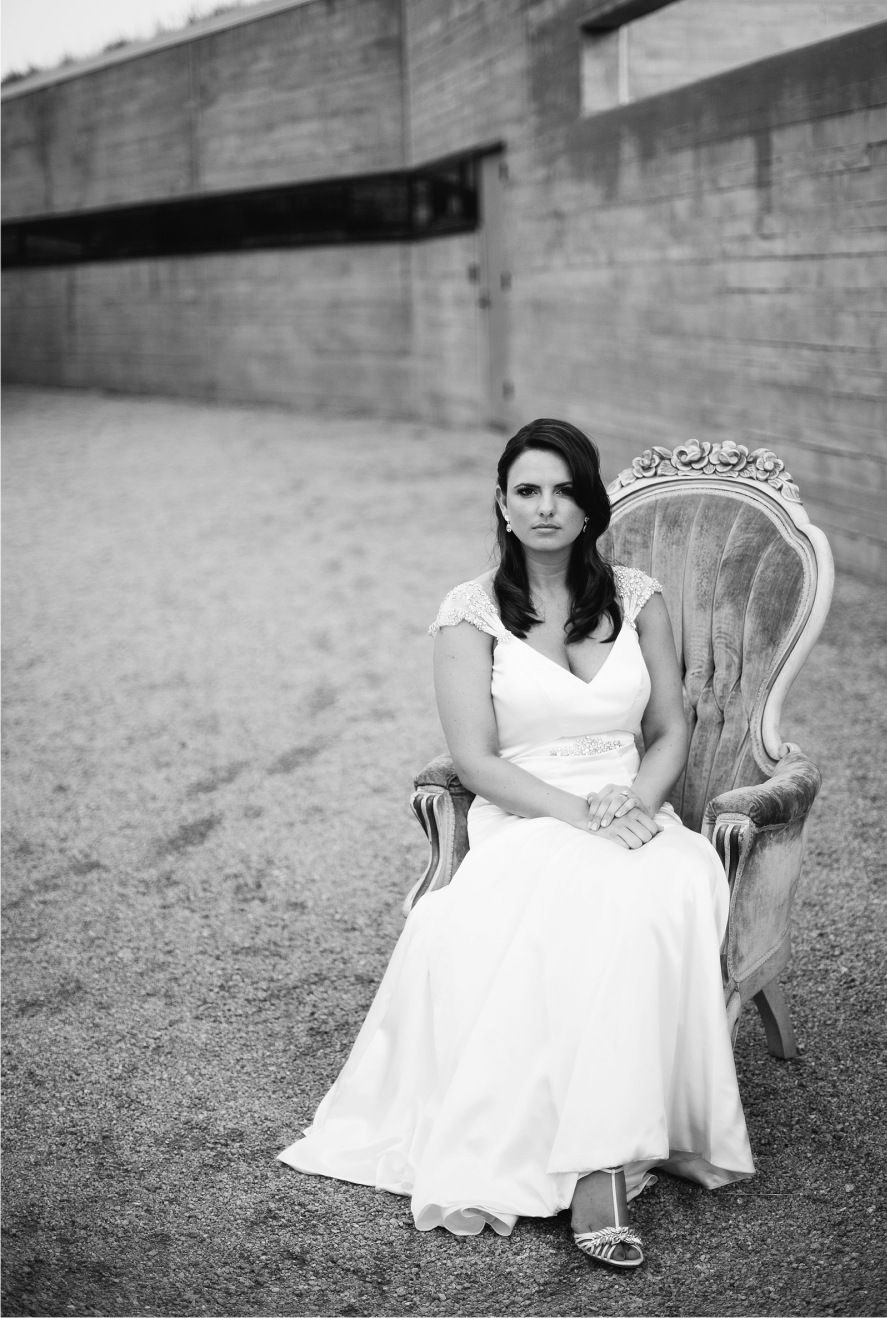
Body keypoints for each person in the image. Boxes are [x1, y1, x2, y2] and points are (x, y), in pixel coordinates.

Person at [279, 418, 754, 1267]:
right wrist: (580, 818)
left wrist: (636, 803)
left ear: (588, 505)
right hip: (532, 815)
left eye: (564, 490)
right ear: (501, 504)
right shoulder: (468, 615)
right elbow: (474, 760)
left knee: (664, 890)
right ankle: (593, 1171)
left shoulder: (639, 598)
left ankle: (614, 1147)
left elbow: (670, 726)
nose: (545, 506)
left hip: (636, 809)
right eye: (527, 490)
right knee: (585, 896)